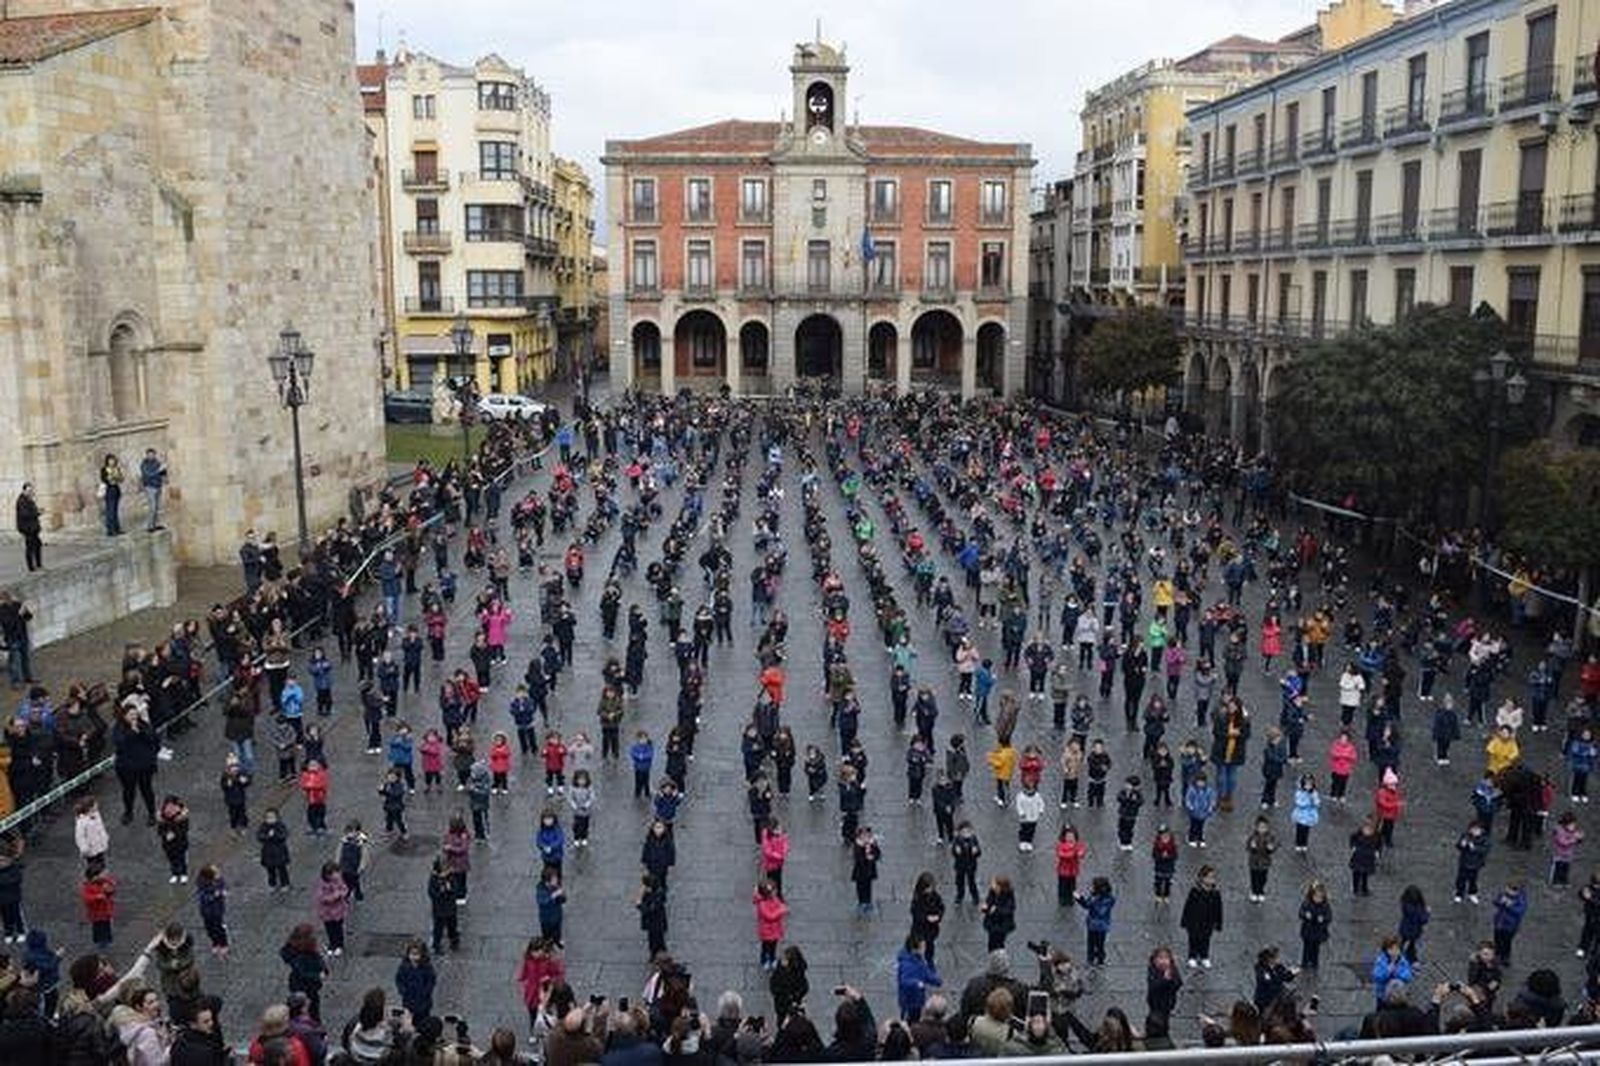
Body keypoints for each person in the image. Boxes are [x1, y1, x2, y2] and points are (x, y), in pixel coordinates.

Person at [1180, 865, 1223, 969]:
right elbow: (1188, 906)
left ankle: (1204, 956)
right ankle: (1192, 956)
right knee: (1193, 938)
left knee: (1206, 939)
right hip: (1194, 921)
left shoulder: (1215, 893)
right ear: (1202, 878)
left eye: (1213, 877)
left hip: (1208, 921)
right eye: (1208, 877)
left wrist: (1219, 923)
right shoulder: (1195, 891)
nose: (1211, 880)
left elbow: (1219, 908)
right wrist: (1184, 920)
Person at [13, 483, 41, 572]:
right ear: (24, 490)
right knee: (30, 547)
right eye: (29, 490)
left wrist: (38, 511)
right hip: (27, 528)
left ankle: (38, 565)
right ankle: (31, 568)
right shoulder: (21, 501)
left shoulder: (29, 500)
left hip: (33, 527)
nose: (31, 492)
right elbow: (25, 514)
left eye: (31, 490)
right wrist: (37, 513)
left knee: (37, 544)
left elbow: (33, 510)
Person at [139, 447, 168, 531]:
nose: (151, 456)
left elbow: (162, 472)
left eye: (153, 454)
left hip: (158, 486)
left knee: (157, 506)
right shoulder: (144, 464)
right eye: (149, 455)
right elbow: (148, 474)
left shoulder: (157, 463)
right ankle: (150, 526)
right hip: (149, 487)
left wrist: (164, 475)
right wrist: (159, 471)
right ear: (147, 455)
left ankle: (155, 524)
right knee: (153, 506)